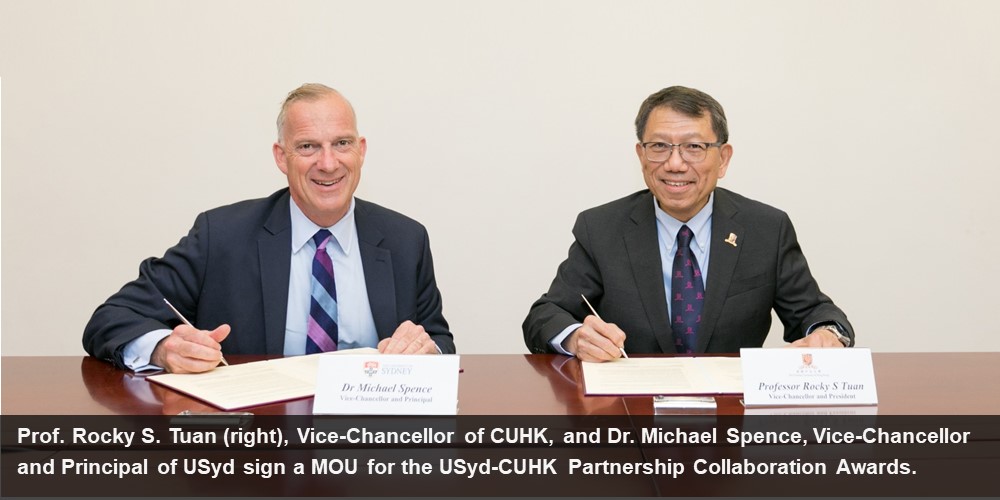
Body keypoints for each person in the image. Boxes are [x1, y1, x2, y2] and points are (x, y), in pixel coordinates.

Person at [84, 83, 453, 373]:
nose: (328, 163)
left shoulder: (406, 240)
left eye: (341, 144)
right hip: (259, 447)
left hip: (367, 447)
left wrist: (427, 349)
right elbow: (111, 318)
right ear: (281, 157)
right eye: (308, 146)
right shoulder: (222, 236)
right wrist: (164, 350)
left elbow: (440, 340)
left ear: (361, 150)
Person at [523, 86, 853, 362]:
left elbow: (814, 311)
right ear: (641, 155)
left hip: (732, 416)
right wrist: (574, 337)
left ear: (723, 158)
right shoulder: (601, 228)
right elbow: (545, 315)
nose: (675, 163)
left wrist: (826, 334)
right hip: (629, 413)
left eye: (694, 147)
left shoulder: (766, 228)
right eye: (659, 147)